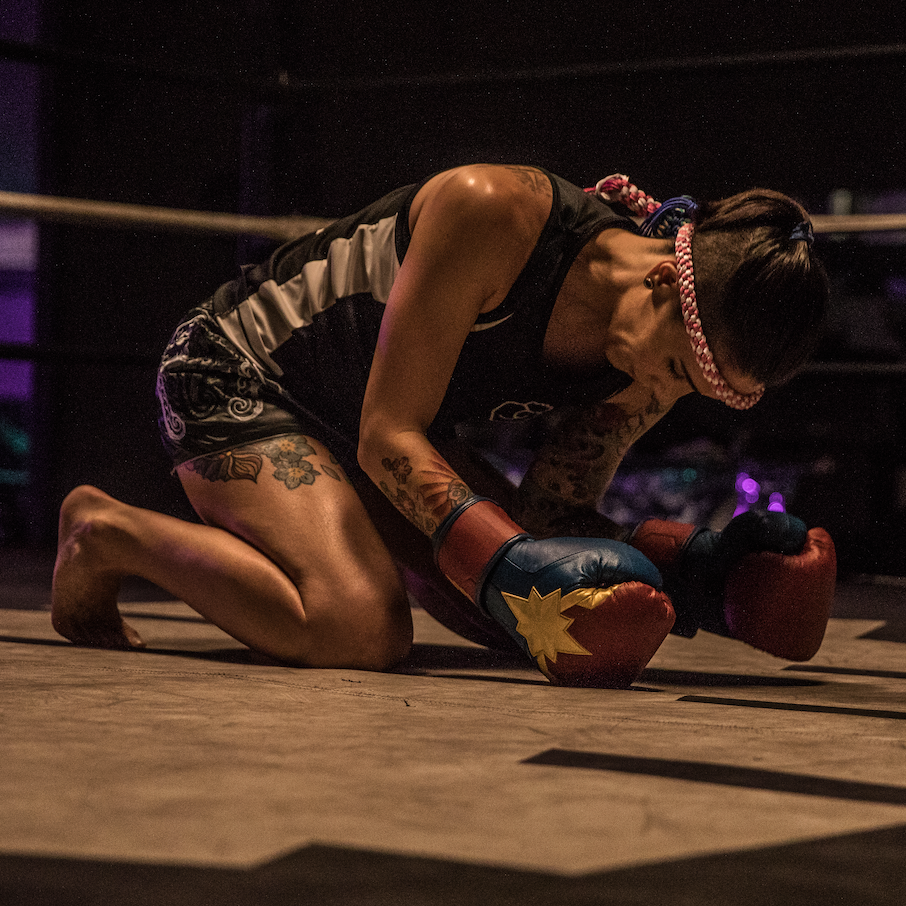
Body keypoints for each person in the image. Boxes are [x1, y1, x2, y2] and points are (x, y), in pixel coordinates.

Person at [50, 164, 837, 688]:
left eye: (696, 388)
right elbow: (389, 434)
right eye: (678, 367)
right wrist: (503, 557)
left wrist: (699, 576)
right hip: (242, 375)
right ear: (666, 278)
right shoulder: (496, 213)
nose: (663, 391)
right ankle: (108, 531)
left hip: (367, 424)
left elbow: (548, 516)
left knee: (524, 623)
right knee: (359, 629)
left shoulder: (662, 345)